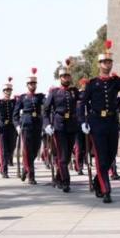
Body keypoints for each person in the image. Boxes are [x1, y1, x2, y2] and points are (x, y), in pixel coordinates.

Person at [78, 40, 120, 203]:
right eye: (104, 62)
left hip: (111, 122)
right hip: (97, 123)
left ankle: (98, 182)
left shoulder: (114, 82)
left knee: (110, 157)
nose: (107, 64)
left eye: (109, 61)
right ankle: (106, 190)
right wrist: (83, 121)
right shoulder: (92, 83)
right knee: (101, 158)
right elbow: (83, 103)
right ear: (99, 64)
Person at [43, 59, 80, 192]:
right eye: (64, 76)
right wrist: (47, 124)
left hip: (72, 126)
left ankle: (58, 178)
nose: (66, 78)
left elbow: (83, 99)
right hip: (59, 127)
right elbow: (46, 110)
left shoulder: (74, 91)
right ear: (60, 78)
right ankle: (65, 181)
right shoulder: (54, 92)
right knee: (63, 157)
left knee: (67, 155)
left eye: (68, 76)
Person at [14, 69, 46, 185]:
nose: (33, 85)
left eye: (34, 84)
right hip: (26, 124)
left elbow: (46, 103)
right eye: (31, 84)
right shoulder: (22, 98)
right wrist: (17, 125)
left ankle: (25, 168)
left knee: (35, 149)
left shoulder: (40, 96)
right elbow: (15, 114)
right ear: (27, 85)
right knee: (27, 150)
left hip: (37, 124)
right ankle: (31, 176)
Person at [0, 78, 17, 178]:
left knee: (11, 148)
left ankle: (6, 161)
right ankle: (4, 170)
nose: (8, 92)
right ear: (3, 91)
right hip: (2, 128)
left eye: (9, 91)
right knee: (3, 150)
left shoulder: (14, 102)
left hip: (12, 128)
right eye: (6, 91)